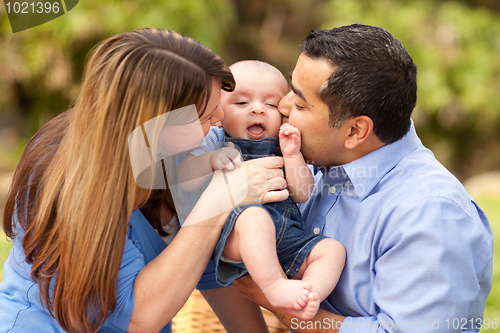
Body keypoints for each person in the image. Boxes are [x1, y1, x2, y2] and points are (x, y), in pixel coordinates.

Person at [0, 28, 289, 333]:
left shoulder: (178, 152)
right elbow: (138, 317)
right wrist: (218, 201)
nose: (220, 116)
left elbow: (201, 261)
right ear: (154, 123)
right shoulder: (61, 177)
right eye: (204, 116)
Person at [233, 24, 493, 333]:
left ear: (355, 131)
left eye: (301, 103)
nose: (284, 106)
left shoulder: (429, 212)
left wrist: (281, 303)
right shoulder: (313, 158)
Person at [178, 60, 345, 320]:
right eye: (242, 103)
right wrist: (209, 161)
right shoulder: (215, 138)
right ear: (219, 111)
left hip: (289, 240)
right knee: (255, 218)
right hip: (237, 236)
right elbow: (185, 178)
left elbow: (302, 193)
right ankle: (275, 287)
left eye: (270, 104)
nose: (258, 110)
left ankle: (307, 294)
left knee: (332, 250)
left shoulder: (286, 142)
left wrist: (291, 156)